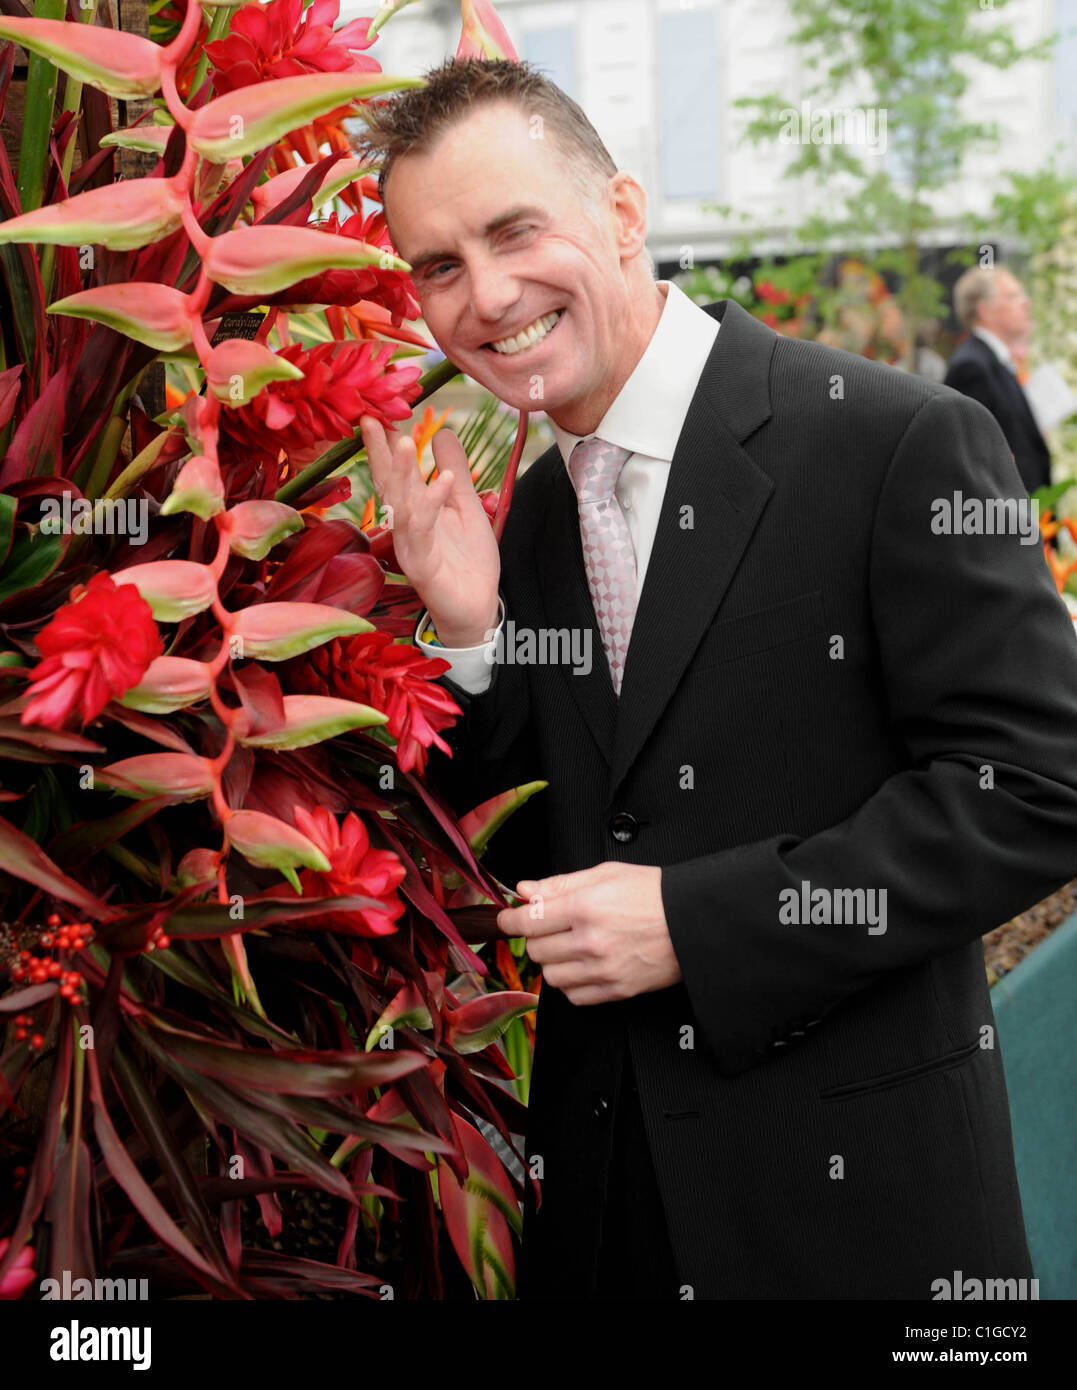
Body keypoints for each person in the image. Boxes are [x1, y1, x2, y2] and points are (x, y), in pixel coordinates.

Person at [355, 59, 1077, 1300]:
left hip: (862, 1229)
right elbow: (515, 827)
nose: (485, 296)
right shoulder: (521, 518)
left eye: (515, 230)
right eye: (436, 265)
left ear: (625, 214)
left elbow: (1037, 788)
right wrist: (468, 628)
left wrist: (701, 924)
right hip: (606, 1221)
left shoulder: (891, 438)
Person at [944, 266, 1051, 494]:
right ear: (985, 310)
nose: (1026, 303)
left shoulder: (993, 361)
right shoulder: (971, 367)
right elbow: (976, 462)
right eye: (1013, 296)